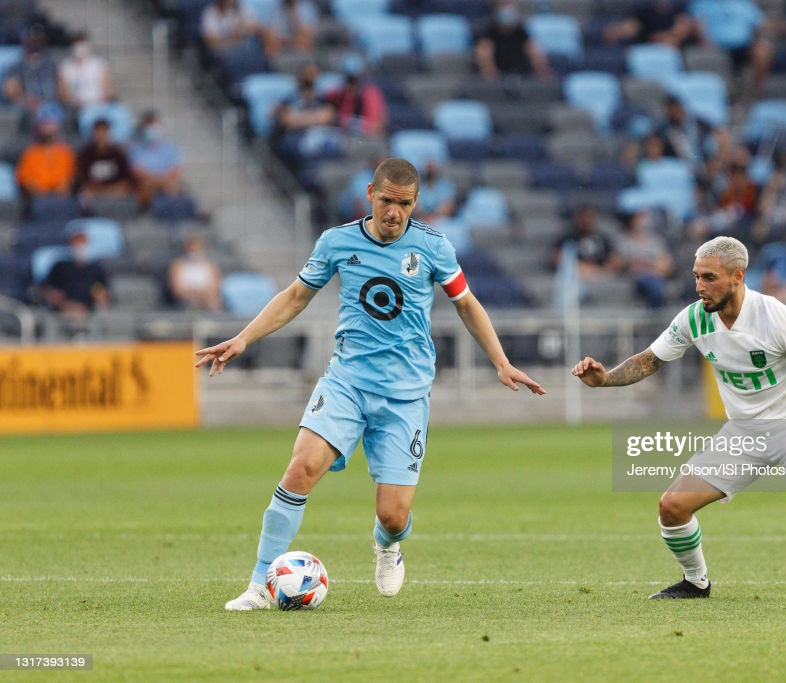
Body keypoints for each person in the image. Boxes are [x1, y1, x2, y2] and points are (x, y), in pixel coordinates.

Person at [197, 157, 546, 610]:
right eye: (386, 201)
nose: (393, 212)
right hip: (346, 383)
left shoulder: (434, 247)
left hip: (405, 395)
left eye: (404, 204)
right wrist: (244, 337)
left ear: (416, 202)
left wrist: (501, 361)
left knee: (393, 515)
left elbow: (466, 304)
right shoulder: (337, 242)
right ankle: (260, 584)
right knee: (300, 469)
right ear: (370, 194)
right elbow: (295, 297)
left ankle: (388, 545)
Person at [572, 235, 786, 601]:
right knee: (671, 507)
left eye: (709, 277)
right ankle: (696, 582)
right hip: (744, 431)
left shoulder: (778, 318)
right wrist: (604, 379)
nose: (700, 286)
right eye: (696, 276)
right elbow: (648, 360)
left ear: (738, 276)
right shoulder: (694, 318)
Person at [40, 227, 111, 318]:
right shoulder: (60, 267)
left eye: (82, 242)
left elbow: (102, 293)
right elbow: (49, 289)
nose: (79, 246)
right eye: (76, 243)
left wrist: (96, 302)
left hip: (89, 312)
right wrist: (62, 303)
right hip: (62, 311)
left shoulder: (96, 269)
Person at [474, 0, 552, 81]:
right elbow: (484, 56)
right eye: (504, 5)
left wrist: (543, 73)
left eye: (511, 5)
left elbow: (534, 52)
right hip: (497, 77)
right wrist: (494, 82)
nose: (508, 9)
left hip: (520, 73)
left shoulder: (521, 30)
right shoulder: (486, 30)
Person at [614, 208, 674, 308]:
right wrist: (633, 263)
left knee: (656, 284)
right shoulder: (623, 240)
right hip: (634, 280)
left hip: (655, 276)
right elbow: (616, 264)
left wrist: (647, 263)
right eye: (639, 216)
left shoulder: (656, 241)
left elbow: (667, 266)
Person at [15, 102, 76, 200]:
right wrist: (38, 192)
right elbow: (24, 177)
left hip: (62, 197)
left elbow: (71, 176)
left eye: (50, 124)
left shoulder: (66, 152)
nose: (47, 128)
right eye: (44, 124)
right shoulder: (30, 153)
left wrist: (64, 189)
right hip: (39, 198)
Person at [2, 24, 59, 120]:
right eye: (32, 40)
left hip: (50, 104)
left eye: (38, 40)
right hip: (25, 105)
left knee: (51, 114)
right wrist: (26, 101)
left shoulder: (52, 66)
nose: (35, 44)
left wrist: (44, 102)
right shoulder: (16, 67)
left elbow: (62, 90)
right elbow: (10, 90)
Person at [128, 110, 184, 208]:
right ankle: (145, 212)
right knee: (145, 187)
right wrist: (155, 180)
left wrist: (162, 180)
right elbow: (136, 171)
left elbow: (176, 169)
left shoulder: (170, 146)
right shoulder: (135, 148)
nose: (152, 129)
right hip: (146, 182)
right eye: (149, 126)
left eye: (154, 125)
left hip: (166, 180)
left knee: (173, 187)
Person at [602, 0, 707, 50]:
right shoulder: (642, 11)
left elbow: (673, 41)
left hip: (675, 55)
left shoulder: (679, 11)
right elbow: (614, 33)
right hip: (645, 51)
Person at [324, 59, 388, 137]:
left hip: (363, 137)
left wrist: (362, 127)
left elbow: (378, 124)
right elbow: (328, 112)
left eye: (354, 80)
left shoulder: (370, 94)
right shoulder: (338, 93)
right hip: (340, 135)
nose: (351, 84)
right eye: (349, 80)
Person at [76, 118, 134, 201]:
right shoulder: (85, 154)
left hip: (115, 191)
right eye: (98, 132)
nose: (101, 135)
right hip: (93, 191)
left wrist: (111, 189)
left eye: (103, 132)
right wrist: (101, 189)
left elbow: (125, 179)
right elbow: (83, 180)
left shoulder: (118, 154)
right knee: (85, 195)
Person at [57, 31, 115, 111]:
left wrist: (99, 102)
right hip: (77, 106)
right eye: (77, 45)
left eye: (82, 44)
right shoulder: (65, 66)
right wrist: (76, 103)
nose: (80, 48)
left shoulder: (98, 63)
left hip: (99, 104)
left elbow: (108, 89)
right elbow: (63, 93)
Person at [168, 233, 223, 311]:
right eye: (192, 249)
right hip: (186, 300)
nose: (194, 252)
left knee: (214, 302)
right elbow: (177, 290)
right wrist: (195, 294)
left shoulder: (210, 266)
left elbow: (215, 287)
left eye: (197, 249)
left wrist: (203, 295)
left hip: (206, 298)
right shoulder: (178, 266)